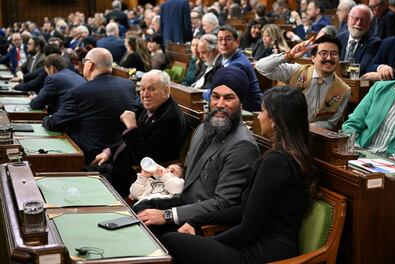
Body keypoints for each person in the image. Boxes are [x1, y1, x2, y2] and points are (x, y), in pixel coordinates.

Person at [161, 85, 318, 264]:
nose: (259, 116)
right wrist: (198, 221)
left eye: (262, 111)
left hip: (264, 252)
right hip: (259, 245)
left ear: (274, 120)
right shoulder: (286, 157)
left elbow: (248, 231)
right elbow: (246, 209)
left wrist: (205, 242)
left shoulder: (276, 162)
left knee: (171, 241)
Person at [137, 66, 259, 238]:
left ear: (241, 103)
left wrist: (168, 215)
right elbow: (198, 170)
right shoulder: (203, 128)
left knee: (147, 229)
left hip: (201, 221)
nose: (220, 104)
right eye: (216, 97)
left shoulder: (243, 146)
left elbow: (222, 203)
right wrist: (180, 169)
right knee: (140, 210)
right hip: (183, 199)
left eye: (229, 98)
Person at [90, 70, 187, 198]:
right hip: (118, 166)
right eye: (142, 89)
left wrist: (131, 127)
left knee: (84, 177)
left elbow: (145, 159)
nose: (145, 94)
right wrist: (109, 151)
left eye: (151, 89)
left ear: (165, 90)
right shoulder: (155, 107)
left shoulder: (171, 119)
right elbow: (133, 141)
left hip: (132, 178)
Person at [42, 48, 138, 163]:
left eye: (84, 61)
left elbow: (55, 123)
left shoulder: (79, 92)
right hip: (120, 152)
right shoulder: (128, 85)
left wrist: (46, 119)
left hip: (90, 158)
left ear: (90, 65)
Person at [256, 35, 351, 130]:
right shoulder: (297, 71)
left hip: (316, 136)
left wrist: (304, 128)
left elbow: (330, 123)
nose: (329, 58)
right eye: (323, 53)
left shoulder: (343, 90)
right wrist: (289, 55)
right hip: (286, 131)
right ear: (313, 58)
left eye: (334, 54)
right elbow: (261, 67)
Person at [342, 79, 395, 160]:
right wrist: (355, 148)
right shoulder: (380, 88)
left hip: (393, 164)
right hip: (361, 154)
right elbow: (352, 124)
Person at [213, 25, 263, 112]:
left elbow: (221, 93)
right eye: (220, 39)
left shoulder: (238, 64)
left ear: (237, 41)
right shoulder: (223, 59)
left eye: (228, 39)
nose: (224, 43)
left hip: (251, 113)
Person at [337, 4, 382, 75]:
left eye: (363, 20)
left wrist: (337, 69)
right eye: (356, 18)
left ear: (369, 24)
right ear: (348, 19)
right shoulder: (339, 38)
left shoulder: (374, 42)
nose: (358, 23)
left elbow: (362, 68)